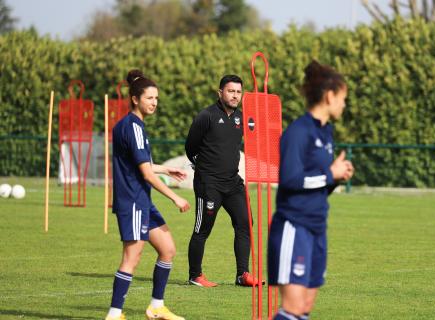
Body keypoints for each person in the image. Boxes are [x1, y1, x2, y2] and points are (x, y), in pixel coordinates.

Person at [268, 61, 355, 320]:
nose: (344, 104)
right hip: (294, 227)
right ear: (329, 96)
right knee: (292, 310)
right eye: (343, 98)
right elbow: (290, 180)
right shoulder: (299, 131)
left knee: (304, 308)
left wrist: (334, 180)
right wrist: (330, 174)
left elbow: (314, 185)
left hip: (318, 228)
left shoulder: (326, 132)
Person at [105, 69, 190, 320]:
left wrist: (166, 168)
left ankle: (156, 307)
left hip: (142, 201)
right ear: (135, 99)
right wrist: (175, 197)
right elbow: (146, 174)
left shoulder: (129, 125)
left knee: (168, 249)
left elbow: (141, 164)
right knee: (132, 258)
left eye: (156, 99)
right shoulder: (134, 127)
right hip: (132, 201)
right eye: (149, 98)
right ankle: (114, 313)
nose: (154, 103)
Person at [185, 75, 260, 287]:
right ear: (220, 93)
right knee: (203, 228)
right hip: (209, 183)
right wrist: (204, 168)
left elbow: (256, 135)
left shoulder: (242, 118)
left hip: (233, 182)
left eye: (238, 92)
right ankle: (195, 275)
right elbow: (190, 147)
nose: (235, 95)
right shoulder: (206, 116)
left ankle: (242, 275)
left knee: (245, 223)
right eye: (230, 91)